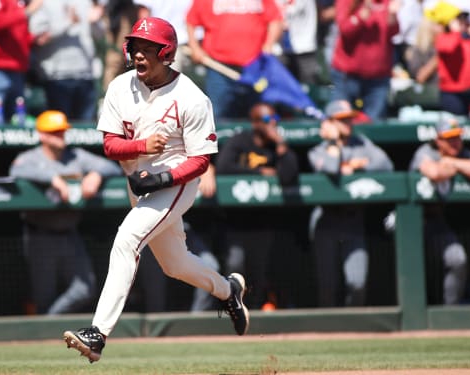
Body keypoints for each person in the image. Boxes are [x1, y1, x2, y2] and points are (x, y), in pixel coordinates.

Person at [63, 17, 249, 363]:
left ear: (166, 53)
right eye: (135, 48)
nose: (139, 56)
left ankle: (98, 333)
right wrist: (143, 147)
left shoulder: (192, 97)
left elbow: (201, 160)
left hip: (176, 181)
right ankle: (228, 290)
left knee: (127, 239)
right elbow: (110, 145)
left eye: (148, 49)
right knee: (175, 264)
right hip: (140, 180)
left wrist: (163, 180)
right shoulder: (121, 87)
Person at [9, 110, 123, 314]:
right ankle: (44, 332)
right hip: (40, 235)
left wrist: (96, 175)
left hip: (70, 235)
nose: (60, 136)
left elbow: (112, 166)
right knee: (42, 295)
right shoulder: (31, 158)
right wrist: (53, 178)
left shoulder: (76, 156)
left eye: (62, 131)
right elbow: (16, 171)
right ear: (42, 135)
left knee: (85, 289)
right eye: (54, 132)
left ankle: (49, 323)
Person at [308, 99, 394, 307]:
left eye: (349, 119)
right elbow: (329, 168)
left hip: (354, 222)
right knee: (328, 287)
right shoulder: (318, 149)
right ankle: (327, 336)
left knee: (357, 283)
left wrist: (354, 168)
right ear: (329, 122)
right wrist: (332, 143)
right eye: (341, 120)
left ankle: (354, 329)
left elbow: (386, 165)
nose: (348, 123)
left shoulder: (361, 143)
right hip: (326, 222)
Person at [216, 102, 300, 309]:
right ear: (254, 123)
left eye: (275, 119)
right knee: (234, 265)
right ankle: (230, 308)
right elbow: (224, 167)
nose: (272, 123)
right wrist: (260, 173)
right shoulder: (240, 141)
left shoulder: (276, 146)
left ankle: (252, 311)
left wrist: (281, 144)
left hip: (264, 222)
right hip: (236, 220)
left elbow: (289, 175)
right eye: (266, 120)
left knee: (259, 271)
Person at [408, 117, 470, 304]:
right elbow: (434, 173)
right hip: (407, 222)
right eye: (449, 138)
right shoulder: (426, 151)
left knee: (457, 259)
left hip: (434, 222)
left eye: (457, 137)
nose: (455, 142)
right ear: (438, 140)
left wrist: (453, 163)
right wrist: (450, 166)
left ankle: (449, 313)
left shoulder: (463, 154)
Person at [186, 0, 284, 120]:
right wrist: (195, 47)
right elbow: (191, 21)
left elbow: (275, 19)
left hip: (255, 67)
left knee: (260, 114)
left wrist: (269, 44)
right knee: (218, 115)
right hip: (219, 68)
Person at [28, 0, 99, 121]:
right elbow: (37, 38)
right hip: (57, 77)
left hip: (86, 76)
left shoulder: (86, 2)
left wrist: (96, 23)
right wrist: (68, 23)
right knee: (59, 129)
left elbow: (99, 35)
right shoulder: (43, 3)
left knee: (86, 132)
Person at [329, 0, 400, 121]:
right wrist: (360, 16)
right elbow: (345, 30)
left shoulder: (386, 2)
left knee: (374, 124)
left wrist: (392, 15)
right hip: (347, 76)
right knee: (340, 121)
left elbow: (394, 32)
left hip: (378, 78)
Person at [432, 6, 470, 116]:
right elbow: (449, 48)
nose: (464, 23)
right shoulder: (443, 38)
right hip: (451, 93)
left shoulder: (469, 41)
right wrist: (455, 31)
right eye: (460, 21)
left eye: (465, 21)